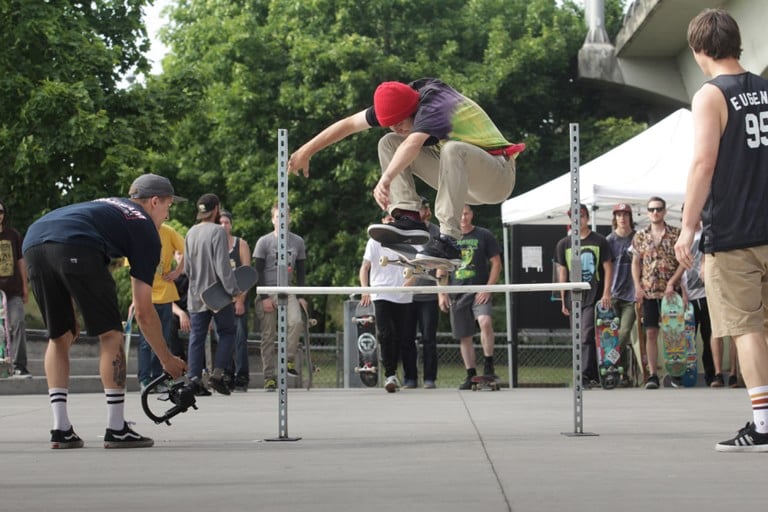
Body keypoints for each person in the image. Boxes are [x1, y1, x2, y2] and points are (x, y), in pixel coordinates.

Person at [22, 173, 187, 449]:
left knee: (60, 335)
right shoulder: (144, 227)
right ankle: (116, 426)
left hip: (34, 240)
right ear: (155, 201)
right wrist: (167, 360)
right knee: (111, 335)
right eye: (169, 206)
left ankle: (60, 428)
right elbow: (145, 312)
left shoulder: (110, 207)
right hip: (75, 244)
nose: (168, 215)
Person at [287, 78, 524, 261]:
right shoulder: (400, 100)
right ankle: (409, 218)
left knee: (452, 149)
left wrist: (386, 178)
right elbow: (349, 124)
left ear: (414, 110)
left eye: (401, 122)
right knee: (389, 142)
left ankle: (449, 241)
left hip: (497, 176)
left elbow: (412, 145)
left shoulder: (435, 104)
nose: (397, 127)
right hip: (462, 183)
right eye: (391, 123)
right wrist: (307, 151)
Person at [675, 8, 768, 451]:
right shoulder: (767, 90)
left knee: (747, 327)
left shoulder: (711, 95)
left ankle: (764, 425)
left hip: (734, 234)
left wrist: (687, 227)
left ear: (698, 50)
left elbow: (704, 163)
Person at [439, 205, 503, 390]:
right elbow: (441, 268)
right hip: (457, 291)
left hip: (479, 290)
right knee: (464, 336)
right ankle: (470, 375)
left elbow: (496, 263)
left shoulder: (484, 235)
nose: (463, 217)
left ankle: (489, 365)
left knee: (484, 321)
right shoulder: (449, 238)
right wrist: (441, 293)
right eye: (460, 213)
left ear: (472, 214)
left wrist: (488, 289)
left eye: (466, 213)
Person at [184, 193, 241, 396]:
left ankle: (194, 379)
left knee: (197, 336)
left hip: (196, 293)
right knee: (227, 332)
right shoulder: (218, 232)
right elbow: (222, 267)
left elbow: (187, 268)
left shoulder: (190, 232)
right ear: (216, 208)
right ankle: (217, 375)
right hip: (217, 293)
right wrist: (233, 290)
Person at [555, 204, 613, 388]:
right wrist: (563, 298)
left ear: (587, 218)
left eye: (580, 216)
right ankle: (589, 374)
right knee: (578, 336)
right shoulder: (564, 244)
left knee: (587, 333)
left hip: (594, 294)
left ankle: (586, 374)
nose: (577, 220)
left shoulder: (599, 241)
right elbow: (562, 272)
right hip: (574, 296)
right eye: (573, 216)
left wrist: (606, 293)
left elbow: (608, 267)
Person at [359, 212, 417, 392]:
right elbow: (365, 267)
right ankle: (389, 375)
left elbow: (416, 266)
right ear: (383, 221)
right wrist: (365, 288)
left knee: (402, 336)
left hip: (402, 295)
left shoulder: (407, 241)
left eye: (394, 220)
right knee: (385, 333)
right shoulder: (374, 241)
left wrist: (410, 280)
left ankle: (403, 375)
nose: (391, 222)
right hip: (381, 292)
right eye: (388, 220)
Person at [632, 196, 686, 389]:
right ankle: (653, 374)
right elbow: (635, 262)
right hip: (649, 292)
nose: (655, 212)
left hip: (670, 293)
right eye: (652, 209)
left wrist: (672, 282)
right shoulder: (640, 236)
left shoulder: (676, 234)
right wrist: (637, 286)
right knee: (651, 332)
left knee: (673, 333)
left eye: (659, 209)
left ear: (664, 211)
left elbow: (683, 262)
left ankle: (675, 373)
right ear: (647, 212)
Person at [253, 204, 307, 391]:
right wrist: (264, 296)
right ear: (272, 219)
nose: (281, 220)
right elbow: (257, 271)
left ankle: (289, 359)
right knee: (268, 336)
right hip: (267, 289)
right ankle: (269, 377)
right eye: (277, 216)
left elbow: (301, 272)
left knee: (296, 322)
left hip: (287, 289)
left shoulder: (297, 242)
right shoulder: (264, 242)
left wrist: (301, 295)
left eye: (284, 216)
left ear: (289, 219)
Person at [131, 223, 185, 392]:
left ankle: (159, 378)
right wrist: (134, 299)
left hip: (166, 295)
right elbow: (132, 268)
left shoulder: (169, 232)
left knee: (164, 339)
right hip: (146, 294)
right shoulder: (137, 231)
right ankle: (145, 379)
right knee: (146, 340)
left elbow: (188, 250)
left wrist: (177, 271)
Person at [679, 214, 716, 386]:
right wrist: (682, 291)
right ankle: (685, 375)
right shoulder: (682, 237)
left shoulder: (707, 233)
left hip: (706, 293)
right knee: (688, 338)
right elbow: (676, 265)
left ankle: (711, 375)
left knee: (708, 335)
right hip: (688, 296)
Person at [219, 210, 252, 392]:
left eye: (226, 222)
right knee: (223, 337)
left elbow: (248, 275)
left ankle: (242, 376)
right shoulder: (215, 245)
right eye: (220, 222)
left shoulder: (241, 245)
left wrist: (240, 300)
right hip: (221, 299)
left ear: (231, 225)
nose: (223, 226)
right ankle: (227, 374)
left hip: (238, 297)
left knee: (240, 337)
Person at [0, 199, 31, 378]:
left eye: (1, 212)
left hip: (12, 291)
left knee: (18, 323)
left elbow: (20, 261)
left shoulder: (13, 235)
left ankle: (20, 365)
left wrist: (25, 286)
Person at [606, 204, 636, 386]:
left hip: (631, 294)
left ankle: (610, 365)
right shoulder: (609, 240)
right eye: (618, 215)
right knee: (614, 334)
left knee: (623, 333)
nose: (622, 218)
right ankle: (622, 373)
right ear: (615, 218)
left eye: (625, 214)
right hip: (614, 293)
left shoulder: (637, 238)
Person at [413, 197, 441, 388]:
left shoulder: (436, 231)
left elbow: (441, 262)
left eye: (422, 209)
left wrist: (441, 291)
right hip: (407, 295)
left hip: (429, 293)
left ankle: (430, 378)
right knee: (407, 338)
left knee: (429, 338)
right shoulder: (405, 231)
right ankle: (410, 378)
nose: (420, 213)